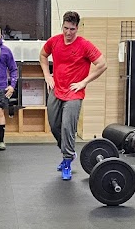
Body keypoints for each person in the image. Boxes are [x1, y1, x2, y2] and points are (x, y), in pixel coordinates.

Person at [40, 11, 107, 180]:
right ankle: (67, 152)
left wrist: (84, 82)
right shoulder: (54, 41)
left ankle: (67, 161)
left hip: (74, 92)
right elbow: (43, 55)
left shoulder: (84, 45)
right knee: (55, 126)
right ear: (62, 25)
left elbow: (102, 64)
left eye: (72, 29)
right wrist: (48, 76)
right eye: (65, 28)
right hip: (56, 89)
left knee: (67, 128)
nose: (68, 33)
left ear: (77, 28)